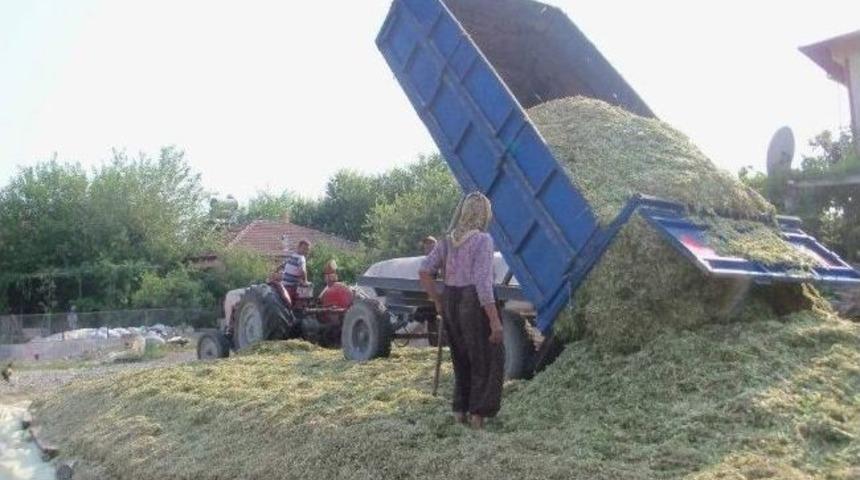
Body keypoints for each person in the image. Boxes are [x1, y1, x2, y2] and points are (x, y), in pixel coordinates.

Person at [419, 192, 504, 430]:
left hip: (451, 299)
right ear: (484, 214)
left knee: (461, 358)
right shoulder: (482, 240)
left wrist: (437, 299)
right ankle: (478, 417)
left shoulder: (446, 241)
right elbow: (483, 283)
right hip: (473, 302)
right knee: (485, 359)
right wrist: (495, 321)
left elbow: (424, 271)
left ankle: (459, 412)